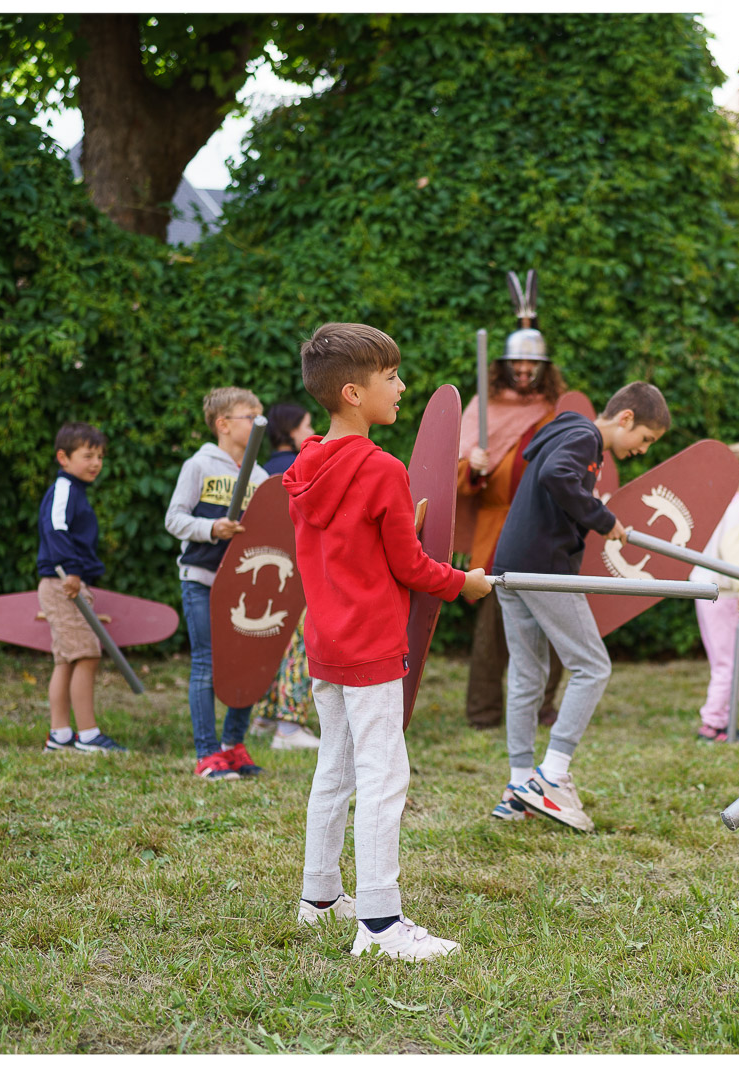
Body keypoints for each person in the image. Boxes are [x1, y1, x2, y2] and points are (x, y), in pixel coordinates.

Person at [284, 322, 493, 960]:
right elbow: (411, 569)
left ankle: (318, 898)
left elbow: (352, 545)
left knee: (336, 766)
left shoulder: (305, 465)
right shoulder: (380, 468)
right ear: (353, 392)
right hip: (372, 644)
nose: (402, 387)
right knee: (383, 776)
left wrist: (404, 523)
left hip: (326, 640)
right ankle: (379, 924)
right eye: (392, 377)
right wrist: (466, 583)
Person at [490, 382, 670, 832]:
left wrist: (595, 514)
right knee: (592, 666)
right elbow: (557, 476)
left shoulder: (565, 431)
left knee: (528, 676)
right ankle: (551, 775)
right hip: (543, 569)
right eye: (645, 439)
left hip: (510, 567)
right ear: (625, 418)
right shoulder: (584, 436)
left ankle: (518, 787)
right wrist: (602, 518)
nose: (642, 450)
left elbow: (552, 474)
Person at [456, 343, 567, 729]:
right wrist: (473, 466)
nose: (523, 369)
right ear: (503, 366)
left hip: (545, 529)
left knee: (553, 623)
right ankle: (484, 711)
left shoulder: (555, 412)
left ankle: (542, 706)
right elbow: (455, 476)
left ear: (544, 368)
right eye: (517, 362)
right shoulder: (485, 409)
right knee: (491, 629)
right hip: (498, 531)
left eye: (531, 363)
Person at [165, 387, 269, 781]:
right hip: (202, 580)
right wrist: (211, 528)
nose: (259, 422)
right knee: (207, 665)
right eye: (249, 415)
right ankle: (207, 753)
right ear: (223, 424)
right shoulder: (199, 465)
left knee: (246, 665)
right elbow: (174, 519)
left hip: (243, 589)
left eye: (261, 415)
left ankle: (232, 746)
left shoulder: (260, 477)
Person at [36, 421, 128, 754]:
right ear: (63, 457)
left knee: (67, 660)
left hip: (62, 581)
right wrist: (71, 572)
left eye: (100, 456)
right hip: (64, 582)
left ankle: (60, 735)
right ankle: (87, 735)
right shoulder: (64, 488)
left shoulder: (74, 491)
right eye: (87, 455)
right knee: (87, 654)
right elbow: (55, 528)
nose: (95, 463)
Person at [251, 402, 320, 750]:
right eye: (307, 425)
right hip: (302, 573)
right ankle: (289, 726)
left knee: (273, 642)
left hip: (270, 572)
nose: (311, 432)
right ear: (292, 431)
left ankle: (263, 717)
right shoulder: (303, 469)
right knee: (302, 646)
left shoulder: (261, 471)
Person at [688, 442, 739, 743]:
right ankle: (715, 724)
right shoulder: (738, 507)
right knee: (730, 662)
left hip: (706, 590)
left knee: (722, 659)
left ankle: (717, 719)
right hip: (725, 593)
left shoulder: (717, 502)